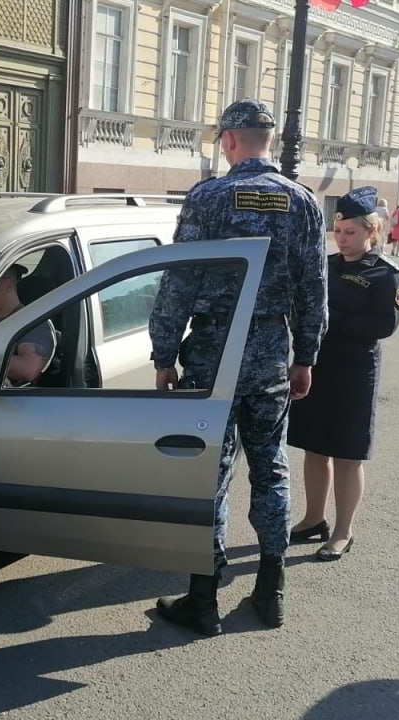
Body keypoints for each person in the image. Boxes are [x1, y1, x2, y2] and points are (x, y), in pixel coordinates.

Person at [148, 99, 328, 636]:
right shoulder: (303, 203)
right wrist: (306, 356)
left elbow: (178, 282)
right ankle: (269, 595)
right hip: (273, 351)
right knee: (271, 470)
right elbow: (314, 289)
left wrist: (162, 354)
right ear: (268, 140)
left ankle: (202, 600)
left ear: (228, 139)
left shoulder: (208, 198)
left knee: (210, 475)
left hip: (213, 356)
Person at [288, 187, 399, 561]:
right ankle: (313, 519)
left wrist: (330, 319)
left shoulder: (386, 274)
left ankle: (343, 531)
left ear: (371, 231)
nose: (342, 239)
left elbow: (384, 324)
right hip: (319, 365)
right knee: (314, 448)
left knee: (347, 455)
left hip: (355, 372)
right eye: (338, 232)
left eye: (351, 233)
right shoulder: (328, 266)